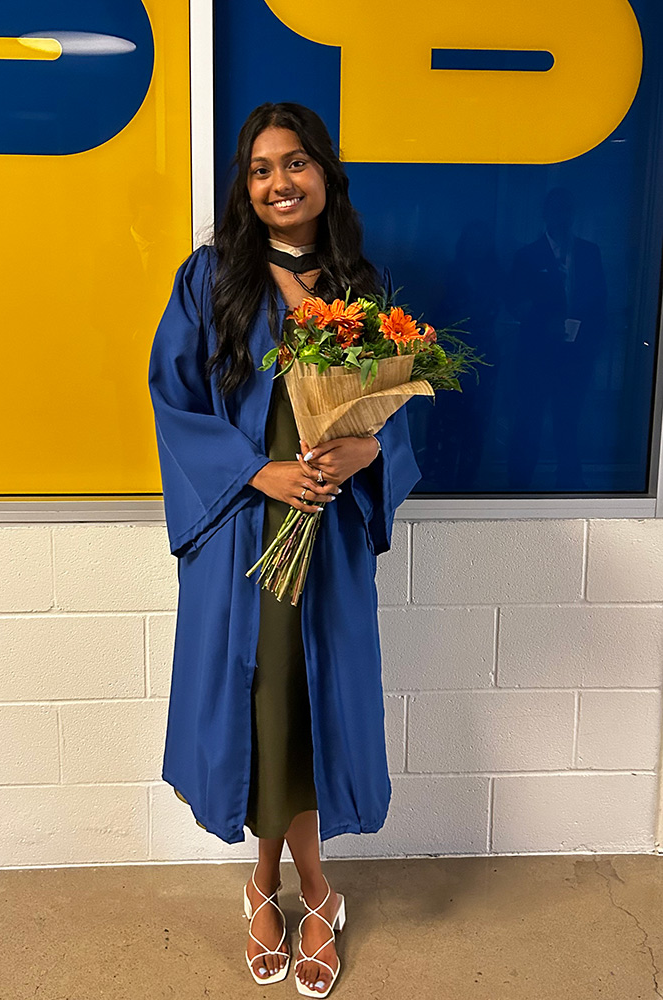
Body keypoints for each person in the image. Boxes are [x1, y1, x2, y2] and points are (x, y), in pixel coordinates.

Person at [147, 102, 422, 996]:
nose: (278, 183)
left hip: (326, 534)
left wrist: (367, 447)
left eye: (295, 164)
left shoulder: (362, 288)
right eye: (261, 169)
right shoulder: (211, 280)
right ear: (246, 186)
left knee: (307, 709)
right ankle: (307, 891)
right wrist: (254, 473)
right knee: (267, 706)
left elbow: (393, 412)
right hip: (246, 539)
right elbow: (173, 400)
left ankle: (272, 889)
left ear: (324, 176)